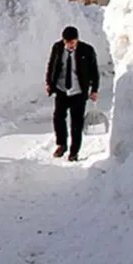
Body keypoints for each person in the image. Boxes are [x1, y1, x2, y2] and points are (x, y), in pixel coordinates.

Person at [44, 26, 99, 162]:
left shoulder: (87, 50)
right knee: (58, 118)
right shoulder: (57, 48)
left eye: (73, 42)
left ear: (77, 40)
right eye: (68, 42)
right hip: (62, 89)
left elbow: (94, 71)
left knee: (76, 123)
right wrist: (49, 83)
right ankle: (62, 144)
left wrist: (94, 90)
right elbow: (51, 65)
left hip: (78, 91)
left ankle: (74, 152)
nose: (70, 45)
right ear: (63, 40)